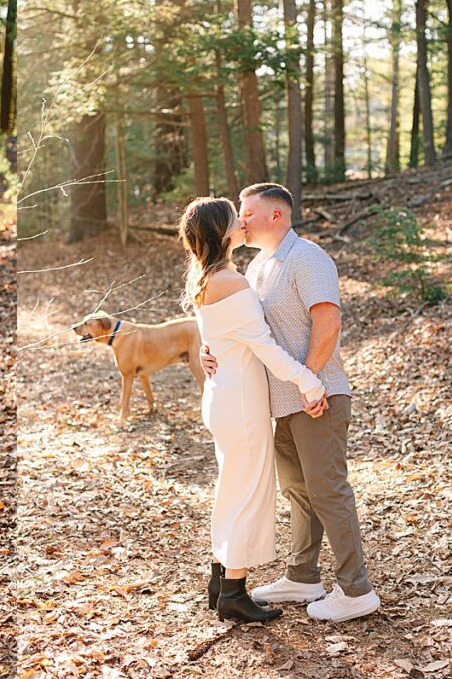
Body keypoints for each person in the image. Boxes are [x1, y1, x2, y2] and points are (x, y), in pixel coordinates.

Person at [201, 183, 380, 622]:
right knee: (299, 493)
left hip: (317, 395)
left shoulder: (308, 257)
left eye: (247, 212)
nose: (240, 220)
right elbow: (246, 332)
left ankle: (356, 590)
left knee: (328, 491)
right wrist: (212, 351)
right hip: (280, 402)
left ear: (275, 216)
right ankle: (302, 576)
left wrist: (312, 382)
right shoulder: (259, 266)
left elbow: (329, 319)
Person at [179, 196, 327, 624]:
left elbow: (219, 336)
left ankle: (219, 575)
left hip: (223, 395)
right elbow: (265, 348)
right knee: (247, 494)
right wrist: (309, 381)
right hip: (241, 404)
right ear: (222, 231)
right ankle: (233, 593)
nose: (243, 222)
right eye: (235, 218)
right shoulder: (233, 281)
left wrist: (209, 350)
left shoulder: (208, 276)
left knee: (231, 490)